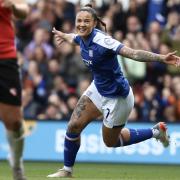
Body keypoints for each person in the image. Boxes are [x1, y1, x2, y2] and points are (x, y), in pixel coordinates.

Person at [48, 4, 180, 178]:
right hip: (98, 87)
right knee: (73, 126)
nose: (81, 24)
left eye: (86, 21)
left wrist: (161, 58)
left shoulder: (104, 41)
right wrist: (64, 35)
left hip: (118, 97)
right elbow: (75, 38)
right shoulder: (81, 37)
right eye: (78, 21)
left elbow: (133, 53)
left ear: (94, 23)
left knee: (110, 142)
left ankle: (156, 132)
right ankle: (67, 170)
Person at [0, 0, 29, 180]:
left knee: (15, 123)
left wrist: (14, 7)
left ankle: (16, 164)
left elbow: (23, 10)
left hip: (5, 59)